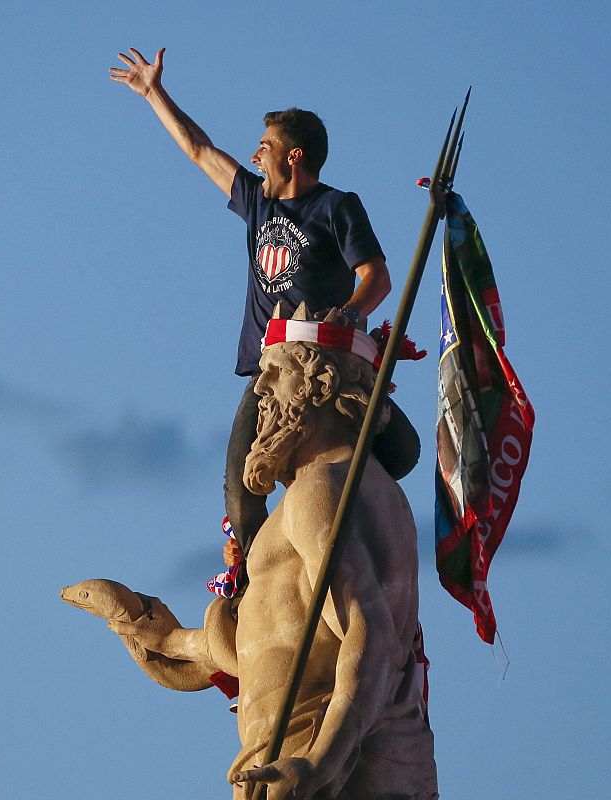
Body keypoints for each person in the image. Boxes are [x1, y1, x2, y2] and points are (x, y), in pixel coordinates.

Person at [105, 315, 438, 799]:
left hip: (321, 765)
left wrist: (319, 762)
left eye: (276, 371)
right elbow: (286, 637)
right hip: (327, 759)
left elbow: (372, 639)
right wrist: (174, 642)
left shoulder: (319, 494)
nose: (261, 388)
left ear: (320, 386)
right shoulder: (357, 490)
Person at [109, 47, 420, 558]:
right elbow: (200, 151)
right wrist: (154, 94)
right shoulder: (258, 201)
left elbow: (377, 277)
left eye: (264, 146)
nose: (256, 155)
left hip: (325, 364)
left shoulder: (336, 206)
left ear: (293, 155)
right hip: (270, 370)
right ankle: (255, 584)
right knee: (239, 483)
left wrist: (348, 314)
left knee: (403, 450)